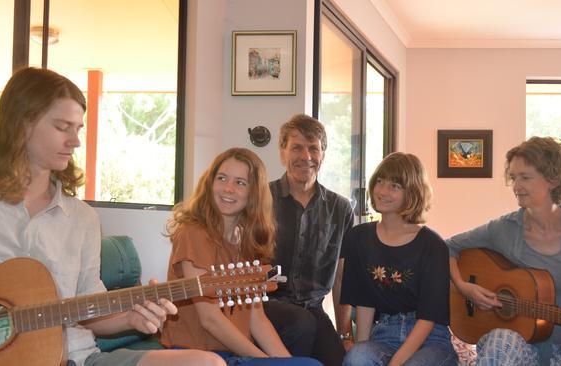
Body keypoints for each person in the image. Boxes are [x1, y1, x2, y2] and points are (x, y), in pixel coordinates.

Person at [0, 67, 224, 366]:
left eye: (78, 128)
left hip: (76, 357)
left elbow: (92, 316)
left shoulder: (82, 218)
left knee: (207, 364)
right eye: (62, 127)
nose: (75, 141)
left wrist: (132, 317)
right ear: (21, 125)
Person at [447, 136, 561, 366]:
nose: (516, 186)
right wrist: (463, 286)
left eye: (525, 177)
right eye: (514, 177)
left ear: (554, 179)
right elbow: (448, 246)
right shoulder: (502, 229)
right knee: (498, 342)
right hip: (523, 346)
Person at [160, 147, 321, 366]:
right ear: (210, 183)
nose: (228, 189)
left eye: (240, 183)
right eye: (222, 178)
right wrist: (267, 361)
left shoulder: (247, 239)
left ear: (253, 194)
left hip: (233, 354)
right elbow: (210, 319)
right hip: (197, 354)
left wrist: (285, 362)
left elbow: (256, 318)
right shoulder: (193, 232)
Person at [340, 152, 458, 366]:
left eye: (394, 186)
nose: (383, 191)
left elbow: (428, 319)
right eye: (380, 182)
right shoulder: (359, 237)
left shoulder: (433, 245)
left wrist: (394, 364)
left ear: (412, 192)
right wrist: (360, 350)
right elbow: (365, 302)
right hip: (384, 333)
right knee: (357, 358)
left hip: (430, 339)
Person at [263, 114, 355, 366]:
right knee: (300, 326)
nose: (306, 156)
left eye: (313, 148)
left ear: (323, 154)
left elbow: (341, 275)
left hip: (313, 309)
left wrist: (345, 333)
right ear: (283, 153)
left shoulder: (341, 208)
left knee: (338, 360)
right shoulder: (261, 199)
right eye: (296, 147)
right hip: (266, 306)